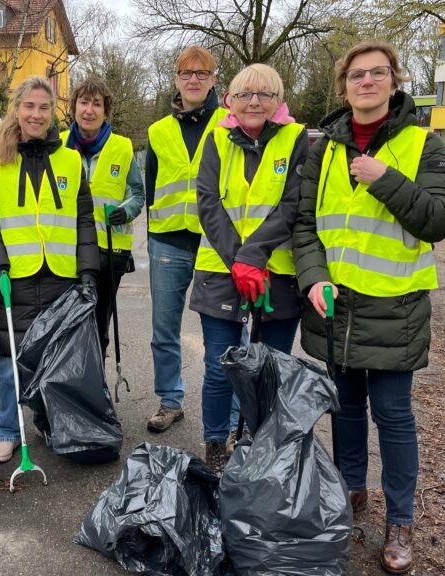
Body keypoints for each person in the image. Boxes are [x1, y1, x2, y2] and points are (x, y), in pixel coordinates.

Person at [293, 40, 445, 574]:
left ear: (394, 80)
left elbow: (437, 221)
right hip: (336, 306)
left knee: (393, 417)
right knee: (344, 410)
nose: (367, 82)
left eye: (377, 73)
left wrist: (384, 179)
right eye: (357, 74)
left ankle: (400, 520)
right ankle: (349, 493)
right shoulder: (323, 148)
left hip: (394, 310)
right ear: (343, 85)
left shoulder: (421, 144)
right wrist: (313, 277)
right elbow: (305, 226)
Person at [0, 76, 100, 463]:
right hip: (16, 275)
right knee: (12, 358)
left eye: (44, 107)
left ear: (52, 112)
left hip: (61, 275)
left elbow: (83, 219)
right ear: (17, 108)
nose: (36, 114)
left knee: (55, 358)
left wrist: (88, 270)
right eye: (29, 106)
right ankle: (9, 431)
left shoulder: (69, 159)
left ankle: (48, 422)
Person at [191, 64, 308, 474]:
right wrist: (238, 260)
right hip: (220, 271)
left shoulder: (298, 139)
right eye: (244, 94)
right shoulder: (216, 138)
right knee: (219, 367)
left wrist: (252, 256)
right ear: (231, 100)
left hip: (277, 273)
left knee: (269, 369)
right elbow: (207, 202)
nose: (253, 101)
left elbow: (294, 204)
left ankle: (259, 445)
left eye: (264, 94)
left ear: (279, 100)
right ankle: (215, 445)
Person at [145, 45, 228, 433]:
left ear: (214, 78)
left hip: (218, 243)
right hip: (168, 241)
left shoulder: (232, 123)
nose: (193, 79)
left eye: (202, 72)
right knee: (164, 330)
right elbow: (150, 188)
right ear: (175, 79)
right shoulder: (158, 130)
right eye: (185, 73)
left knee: (227, 333)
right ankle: (170, 401)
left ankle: (230, 413)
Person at [61, 77, 145, 360]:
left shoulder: (122, 147)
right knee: (67, 322)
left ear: (105, 110)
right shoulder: (58, 145)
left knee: (99, 320)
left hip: (109, 252)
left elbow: (137, 192)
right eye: (84, 102)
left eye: (96, 104)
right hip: (65, 250)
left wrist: (128, 209)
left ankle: (95, 384)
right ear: (74, 107)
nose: (89, 110)